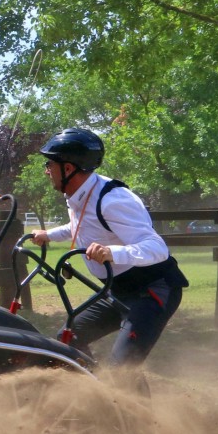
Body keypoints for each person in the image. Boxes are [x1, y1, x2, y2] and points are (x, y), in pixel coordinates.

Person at [30, 128, 188, 368]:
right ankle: (90, 391)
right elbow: (81, 226)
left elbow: (157, 248)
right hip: (116, 289)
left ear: (68, 168)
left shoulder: (113, 201)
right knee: (67, 342)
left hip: (152, 290)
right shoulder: (79, 195)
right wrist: (48, 235)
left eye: (50, 164)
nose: (47, 170)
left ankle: (125, 402)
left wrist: (111, 252)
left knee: (121, 370)